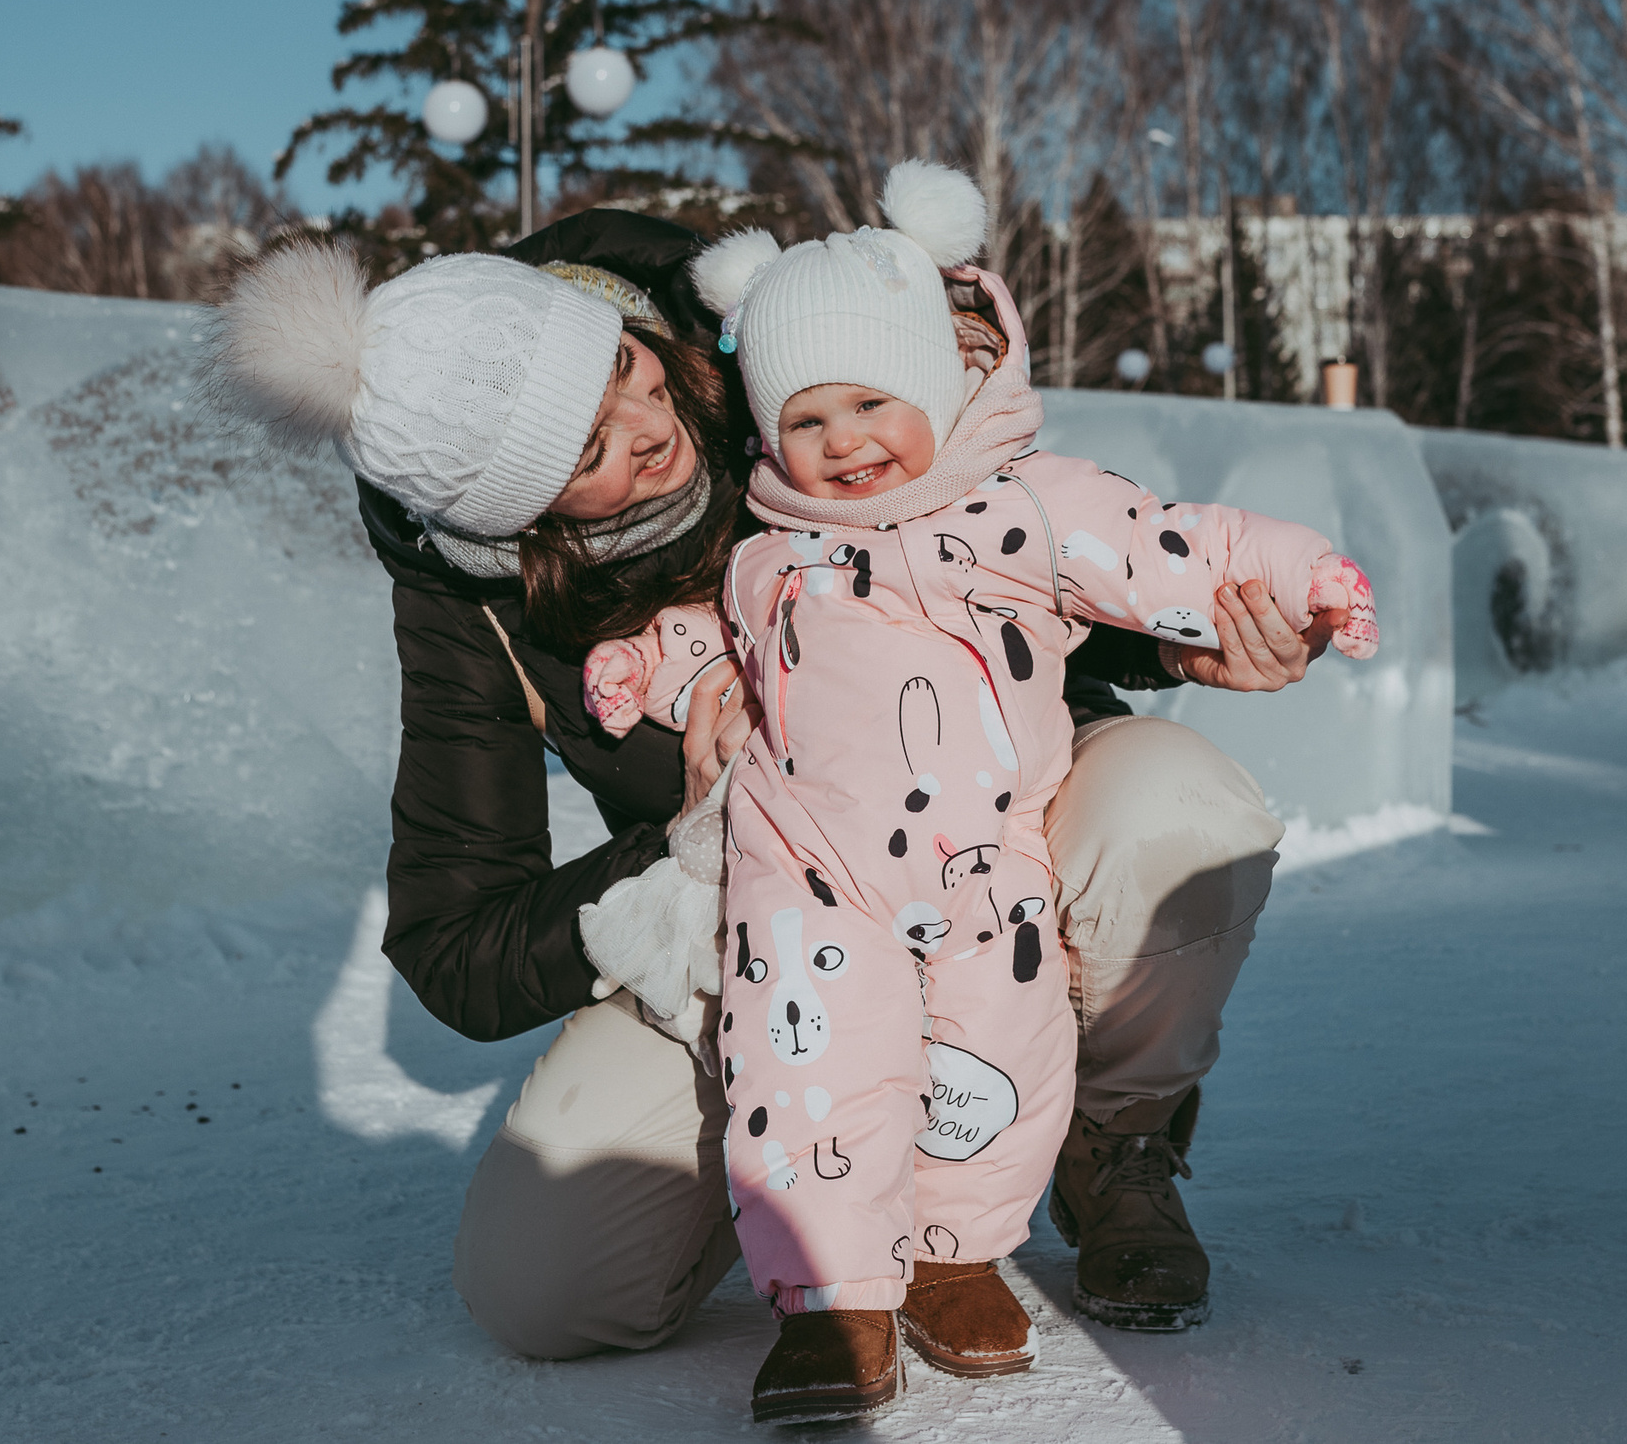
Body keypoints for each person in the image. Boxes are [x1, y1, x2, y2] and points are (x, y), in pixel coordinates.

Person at [202, 205, 1347, 1373]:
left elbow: (1004, 534)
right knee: (539, 1286)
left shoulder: (766, 343)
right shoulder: (473, 602)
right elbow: (458, 945)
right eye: (585, 451)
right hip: (767, 909)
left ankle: (1114, 1139)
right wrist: (684, 841)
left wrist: (1185, 641)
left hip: (986, 828)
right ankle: (836, 1205)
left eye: (624, 369)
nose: (650, 428)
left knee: (1171, 803)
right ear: (520, 516)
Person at [579, 163, 1378, 1422]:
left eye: (868, 402)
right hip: (808, 876)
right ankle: (829, 1294)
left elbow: (1178, 540)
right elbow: (715, 642)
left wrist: (1301, 575)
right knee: (807, 1074)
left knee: (992, 1053)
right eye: (805, 418)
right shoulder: (765, 553)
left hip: (981, 862)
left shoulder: (1019, 510)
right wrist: (642, 665)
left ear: (940, 386)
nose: (841, 441)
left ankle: (958, 1251)